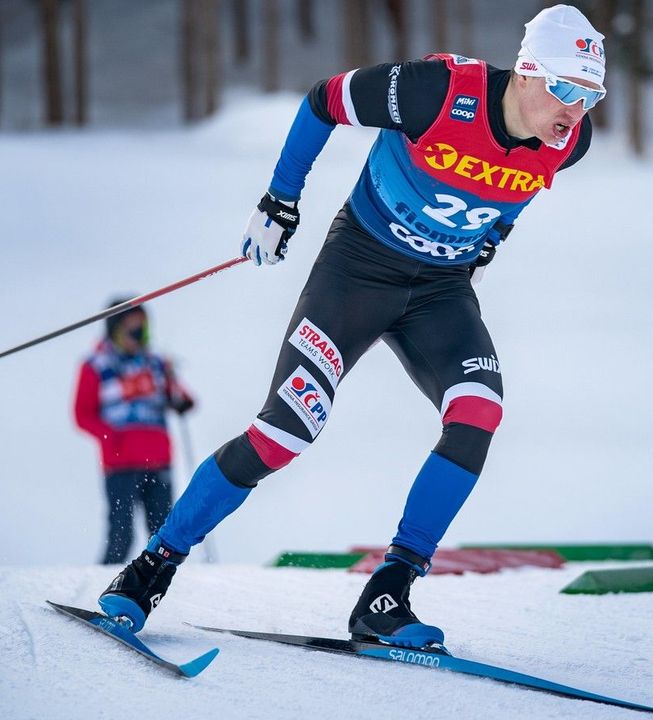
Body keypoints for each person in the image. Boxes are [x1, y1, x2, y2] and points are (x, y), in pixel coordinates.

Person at [99, 5, 604, 648]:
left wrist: (488, 243)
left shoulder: (571, 143)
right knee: (284, 433)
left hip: (440, 293)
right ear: (528, 74)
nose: (577, 109)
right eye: (566, 87)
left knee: (478, 413)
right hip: (357, 275)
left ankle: (389, 590)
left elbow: (510, 196)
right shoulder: (436, 94)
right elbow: (322, 102)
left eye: (592, 94)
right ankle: (151, 569)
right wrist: (281, 199)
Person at [75, 300, 196, 564]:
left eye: (143, 331)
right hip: (120, 465)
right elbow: (82, 415)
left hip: (159, 461)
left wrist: (181, 400)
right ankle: (104, 587)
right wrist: (112, 437)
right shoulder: (95, 365)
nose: (139, 337)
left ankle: (160, 587)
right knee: (121, 534)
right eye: (132, 331)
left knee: (164, 535)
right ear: (115, 330)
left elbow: (181, 397)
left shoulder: (157, 363)